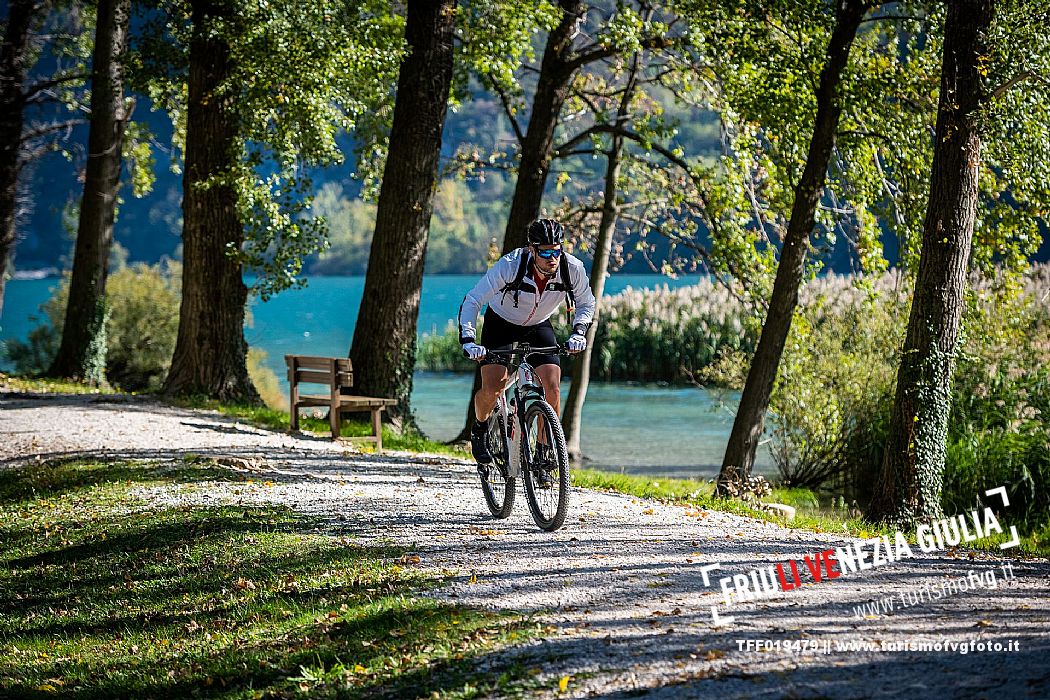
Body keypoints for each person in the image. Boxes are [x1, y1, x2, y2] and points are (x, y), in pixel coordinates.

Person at [458, 219, 596, 467]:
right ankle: (479, 428)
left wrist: (578, 333)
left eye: (556, 250)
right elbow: (472, 301)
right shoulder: (511, 265)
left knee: (552, 389)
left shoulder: (571, 268)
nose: (552, 258)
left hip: (538, 325)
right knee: (493, 389)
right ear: (531, 250)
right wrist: (468, 340)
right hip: (501, 323)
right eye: (545, 252)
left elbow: (587, 303)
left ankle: (544, 451)